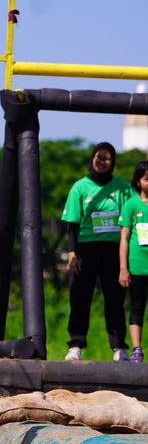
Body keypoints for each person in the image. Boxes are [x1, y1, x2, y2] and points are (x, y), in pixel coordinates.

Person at [61, 142, 131, 361]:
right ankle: (76, 345)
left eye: (107, 158)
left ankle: (119, 347)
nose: (102, 162)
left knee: (115, 300)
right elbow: (72, 224)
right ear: (92, 158)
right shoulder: (80, 187)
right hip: (85, 250)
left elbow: (133, 217)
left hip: (114, 251)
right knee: (80, 299)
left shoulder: (123, 188)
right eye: (99, 157)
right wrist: (71, 253)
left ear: (113, 162)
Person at [119, 160, 148, 363]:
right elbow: (124, 238)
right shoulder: (131, 204)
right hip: (137, 265)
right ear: (138, 181)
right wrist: (123, 268)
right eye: (147, 178)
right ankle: (137, 350)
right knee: (137, 307)